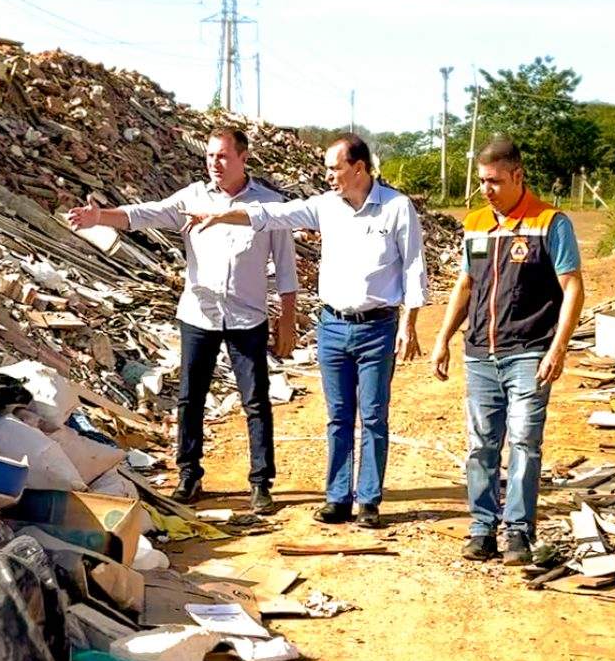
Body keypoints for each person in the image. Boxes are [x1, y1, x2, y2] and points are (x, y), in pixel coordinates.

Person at [183, 133, 429, 528]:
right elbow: (271, 215)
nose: (328, 176)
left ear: (359, 168)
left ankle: (368, 501)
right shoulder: (325, 207)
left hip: (378, 327)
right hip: (332, 327)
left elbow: (415, 267)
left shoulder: (397, 208)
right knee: (338, 416)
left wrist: (410, 324)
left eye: (335, 168)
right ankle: (338, 497)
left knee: (373, 416)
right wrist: (222, 215)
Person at [65, 126, 298, 515]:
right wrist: (100, 217)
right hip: (199, 315)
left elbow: (286, 269)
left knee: (255, 401)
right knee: (191, 399)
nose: (214, 163)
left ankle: (261, 483)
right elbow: (146, 213)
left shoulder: (268, 206)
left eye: (223, 156)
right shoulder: (192, 197)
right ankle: (189, 475)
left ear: (243, 157)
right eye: (209, 156)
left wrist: (287, 318)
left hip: (247, 318)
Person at [430, 136, 584, 565]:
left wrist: (558, 348)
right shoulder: (476, 224)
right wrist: (443, 338)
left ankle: (518, 530)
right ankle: (482, 528)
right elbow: (466, 285)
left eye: (494, 181)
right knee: (481, 444)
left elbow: (573, 287)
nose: (486, 190)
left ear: (518, 176)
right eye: (482, 181)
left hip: (529, 352)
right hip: (480, 353)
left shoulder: (551, 223)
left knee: (523, 441)